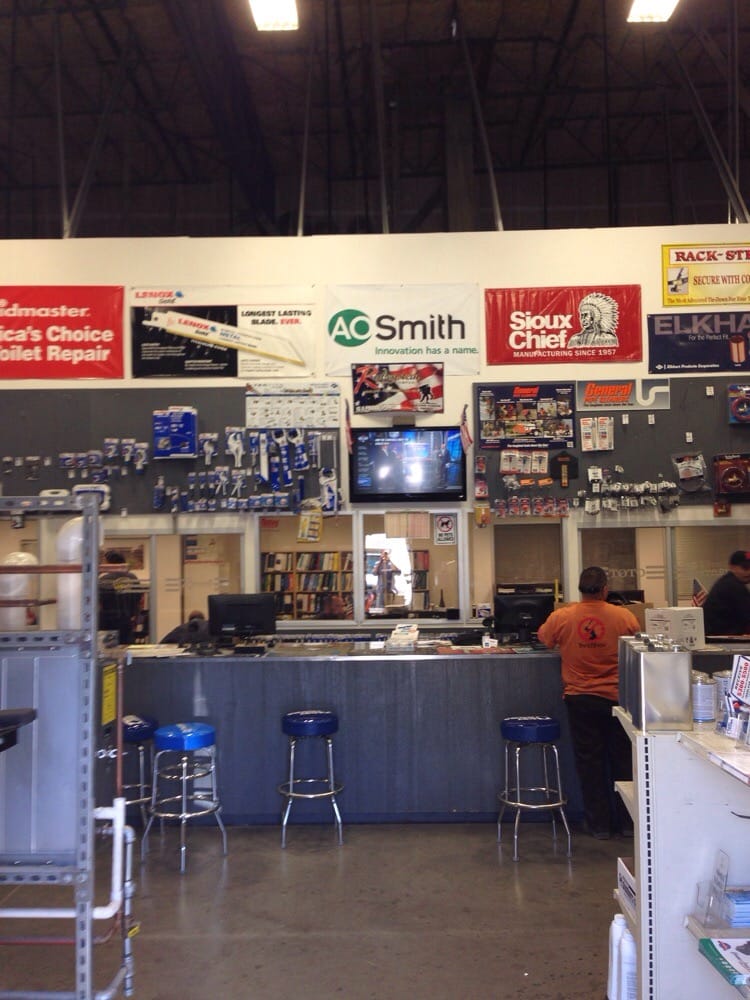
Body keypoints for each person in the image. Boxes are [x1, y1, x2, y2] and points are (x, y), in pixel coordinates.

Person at [537, 566, 640, 839]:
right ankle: (629, 823)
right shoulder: (624, 616)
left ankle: (599, 825)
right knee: (623, 761)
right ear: (605, 590)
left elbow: (545, 639)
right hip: (618, 699)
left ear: (580, 590)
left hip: (580, 698)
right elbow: (636, 646)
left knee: (589, 763)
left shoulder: (563, 616)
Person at [98, 551, 143, 644]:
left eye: (105, 562)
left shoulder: (105, 579)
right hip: (127, 620)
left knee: (109, 648)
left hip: (108, 621)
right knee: (126, 647)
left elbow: (99, 601)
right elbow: (139, 598)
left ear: (110, 563)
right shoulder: (132, 577)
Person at [702, 550, 750, 636]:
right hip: (721, 639)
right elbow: (746, 616)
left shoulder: (727, 582)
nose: (749, 572)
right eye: (745, 567)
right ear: (732, 567)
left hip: (717, 637)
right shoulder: (733, 586)